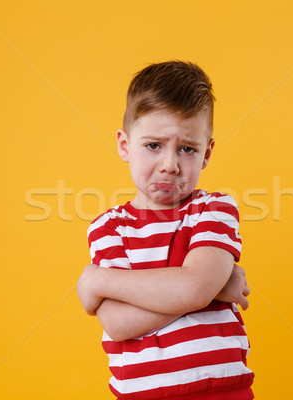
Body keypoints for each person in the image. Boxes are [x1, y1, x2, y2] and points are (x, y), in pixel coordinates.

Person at [77, 61, 254, 400]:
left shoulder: (214, 210)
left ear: (207, 153)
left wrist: (97, 280)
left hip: (221, 391)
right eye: (153, 145)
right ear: (125, 145)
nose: (170, 165)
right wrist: (212, 287)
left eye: (187, 148)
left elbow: (196, 287)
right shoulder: (108, 228)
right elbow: (118, 323)